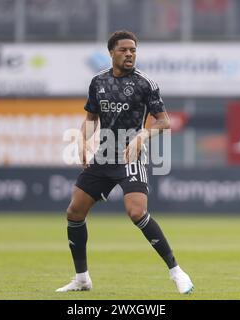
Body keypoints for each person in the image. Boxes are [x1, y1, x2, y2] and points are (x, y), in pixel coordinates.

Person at [56, 30, 194, 294]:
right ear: (112, 52)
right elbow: (91, 119)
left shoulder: (145, 84)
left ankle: (177, 272)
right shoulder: (98, 82)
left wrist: (143, 135)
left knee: (136, 212)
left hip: (130, 155)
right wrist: (83, 141)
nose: (130, 54)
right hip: (104, 156)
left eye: (133, 50)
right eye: (124, 50)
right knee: (74, 212)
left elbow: (164, 121)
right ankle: (82, 278)